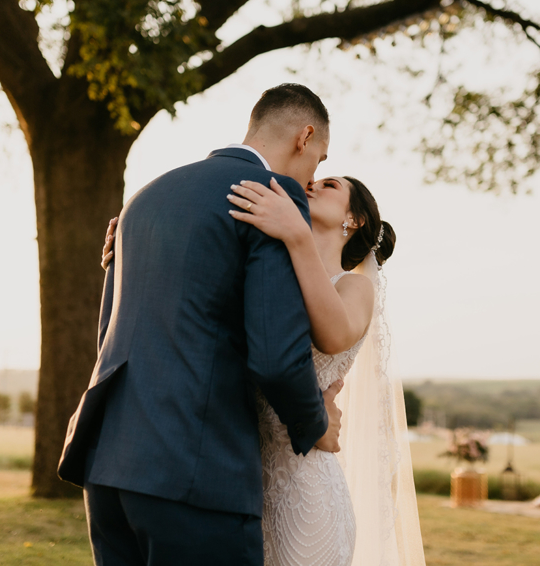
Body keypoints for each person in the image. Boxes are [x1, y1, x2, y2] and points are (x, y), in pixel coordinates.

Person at [58, 83, 344, 566]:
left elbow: (109, 331)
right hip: (195, 472)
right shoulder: (272, 199)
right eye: (320, 157)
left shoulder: (147, 196)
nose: (313, 174)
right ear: (305, 136)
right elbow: (275, 355)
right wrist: (316, 424)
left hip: (108, 466)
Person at [101, 176, 426, 565]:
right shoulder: (269, 274)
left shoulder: (355, 287)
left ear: (354, 220)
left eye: (330, 185)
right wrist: (133, 252)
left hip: (307, 491)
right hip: (246, 481)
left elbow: (334, 336)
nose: (313, 184)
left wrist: (297, 237)